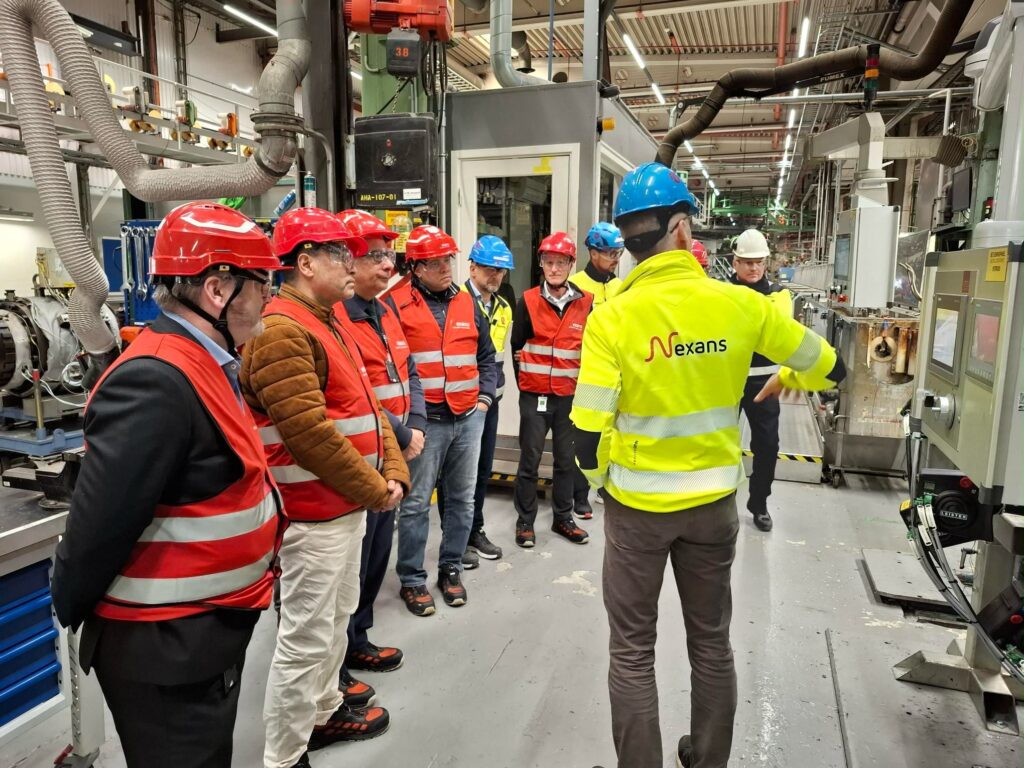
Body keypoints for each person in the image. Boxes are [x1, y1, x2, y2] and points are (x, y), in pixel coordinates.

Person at [571, 162, 845, 768]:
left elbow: (585, 436)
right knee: (712, 644)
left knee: (632, 652)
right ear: (680, 227)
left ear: (626, 239)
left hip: (637, 510)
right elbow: (832, 367)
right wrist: (789, 375)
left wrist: (602, 484)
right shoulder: (739, 305)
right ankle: (709, 758)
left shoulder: (611, 317)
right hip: (714, 508)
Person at [51, 201, 288, 767]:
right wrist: (70, 603)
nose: (270, 298)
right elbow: (98, 530)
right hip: (163, 651)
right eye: (263, 284)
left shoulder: (208, 361)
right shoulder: (155, 378)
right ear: (217, 289)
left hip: (201, 637)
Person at [242, 207, 409, 768]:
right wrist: (375, 489)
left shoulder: (326, 319)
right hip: (312, 517)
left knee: (336, 621)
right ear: (306, 262)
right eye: (342, 254)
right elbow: (309, 434)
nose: (353, 265)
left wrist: (393, 468)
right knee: (305, 638)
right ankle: (285, 755)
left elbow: (368, 406)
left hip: (345, 507)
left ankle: (323, 711)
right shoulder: (281, 330)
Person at [334, 210, 426, 699]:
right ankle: (338, 655)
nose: (388, 265)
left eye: (389, 255)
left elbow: (409, 371)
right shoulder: (336, 318)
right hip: (359, 458)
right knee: (351, 562)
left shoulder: (385, 310)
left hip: (391, 452)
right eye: (375, 256)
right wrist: (402, 432)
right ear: (346, 260)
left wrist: (417, 425)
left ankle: (359, 638)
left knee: (375, 555)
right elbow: (357, 393)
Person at [384, 225, 498, 616]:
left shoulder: (467, 301)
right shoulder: (394, 304)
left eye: (448, 259)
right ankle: (412, 579)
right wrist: (406, 423)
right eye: (435, 262)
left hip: (467, 417)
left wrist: (484, 399)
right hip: (425, 423)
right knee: (416, 504)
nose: (446, 267)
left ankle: (451, 567)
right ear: (415, 267)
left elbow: (487, 356)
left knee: (463, 500)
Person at [511, 232, 594, 547]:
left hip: (569, 398)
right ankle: (525, 522)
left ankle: (563, 518)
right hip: (534, 397)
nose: (554, 268)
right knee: (529, 460)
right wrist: (527, 386)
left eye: (561, 262)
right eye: (549, 262)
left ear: (572, 264)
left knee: (565, 461)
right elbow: (517, 348)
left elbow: (592, 350)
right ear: (541, 264)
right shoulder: (527, 301)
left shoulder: (587, 303)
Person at [436, 235, 515, 568]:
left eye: (500, 270)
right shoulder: (456, 302)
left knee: (482, 470)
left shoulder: (504, 307)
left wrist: (489, 396)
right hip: (460, 404)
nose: (494, 275)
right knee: (453, 476)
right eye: (488, 268)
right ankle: (455, 537)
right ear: (471, 268)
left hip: (489, 402)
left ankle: (474, 530)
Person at [730, 228, 792, 532]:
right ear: (735, 263)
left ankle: (759, 503)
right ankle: (720, 501)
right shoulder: (721, 293)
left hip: (765, 382)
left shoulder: (780, 295)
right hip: (727, 381)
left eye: (758, 262)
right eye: (747, 262)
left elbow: (778, 335)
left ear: (765, 262)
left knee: (767, 445)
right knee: (720, 445)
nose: (754, 268)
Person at [569, 221, 625, 305]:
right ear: (594, 254)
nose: (617, 260)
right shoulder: (573, 287)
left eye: (619, 253)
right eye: (612, 254)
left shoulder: (619, 285)